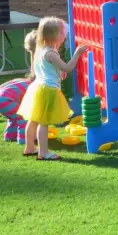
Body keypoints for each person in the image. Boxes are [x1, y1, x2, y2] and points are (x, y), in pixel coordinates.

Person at [19, 17, 88, 161]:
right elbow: (68, 68)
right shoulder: (51, 53)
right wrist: (77, 54)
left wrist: (58, 72)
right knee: (44, 122)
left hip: (37, 87)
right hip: (48, 90)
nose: (65, 34)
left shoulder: (40, 49)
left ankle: (29, 147)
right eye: (62, 32)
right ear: (54, 35)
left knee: (33, 120)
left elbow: (46, 68)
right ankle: (43, 152)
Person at [0, 32, 38, 144]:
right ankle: (23, 140)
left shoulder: (23, 82)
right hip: (2, 99)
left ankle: (9, 136)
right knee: (22, 116)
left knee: (12, 117)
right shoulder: (32, 88)